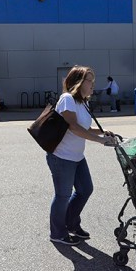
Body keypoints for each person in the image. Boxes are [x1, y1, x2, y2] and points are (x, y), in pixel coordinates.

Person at [47, 66, 117, 246]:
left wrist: (102, 132)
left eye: (93, 80)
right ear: (79, 82)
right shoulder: (67, 99)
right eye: (90, 80)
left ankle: (71, 224)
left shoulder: (82, 102)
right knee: (63, 195)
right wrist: (101, 141)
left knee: (85, 189)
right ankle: (57, 233)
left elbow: (83, 127)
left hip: (77, 156)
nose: (93, 84)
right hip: (62, 157)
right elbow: (72, 127)